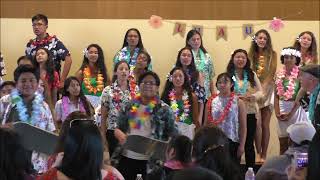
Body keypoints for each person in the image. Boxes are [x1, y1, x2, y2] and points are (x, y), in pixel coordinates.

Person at [114, 71, 176, 179]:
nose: (148, 85)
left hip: (151, 163)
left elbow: (174, 134)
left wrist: (166, 148)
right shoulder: (128, 106)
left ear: (157, 88)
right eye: (144, 82)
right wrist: (118, 133)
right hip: (126, 157)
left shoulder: (165, 110)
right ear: (139, 85)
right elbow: (118, 128)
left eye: (151, 83)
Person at [2, 65, 56, 173]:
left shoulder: (44, 106)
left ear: (37, 83)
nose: (27, 84)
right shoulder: (5, 102)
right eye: (23, 81)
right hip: (10, 160)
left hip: (37, 163)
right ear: (16, 83)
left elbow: (51, 132)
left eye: (32, 80)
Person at [37, 119, 124, 180]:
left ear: (69, 149)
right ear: (97, 150)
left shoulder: (51, 174)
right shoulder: (112, 177)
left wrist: (54, 168)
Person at [226, 49, 263, 168]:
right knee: (234, 143)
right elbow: (221, 90)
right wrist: (233, 96)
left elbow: (261, 92)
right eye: (238, 57)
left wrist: (251, 96)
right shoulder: (228, 75)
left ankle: (250, 171)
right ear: (233, 59)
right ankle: (234, 172)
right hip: (233, 114)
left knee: (248, 144)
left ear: (247, 60)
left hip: (249, 111)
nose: (240, 60)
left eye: (243, 57)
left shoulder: (251, 74)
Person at [248, 29, 277, 162]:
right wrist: (255, 91)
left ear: (268, 41)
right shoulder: (250, 55)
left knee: (265, 124)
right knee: (256, 124)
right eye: (260, 38)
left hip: (268, 91)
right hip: (254, 91)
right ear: (255, 39)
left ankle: (264, 155)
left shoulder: (272, 54)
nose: (262, 40)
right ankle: (258, 152)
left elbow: (271, 73)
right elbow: (248, 73)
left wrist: (263, 90)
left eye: (265, 38)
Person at [204, 72, 247, 164]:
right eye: (219, 82)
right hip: (214, 142)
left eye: (225, 82)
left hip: (232, 141)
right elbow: (206, 124)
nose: (222, 85)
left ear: (231, 84)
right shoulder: (211, 101)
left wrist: (242, 146)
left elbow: (243, 127)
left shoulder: (238, 102)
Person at [274, 47, 308, 154]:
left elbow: (301, 95)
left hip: (296, 109)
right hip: (282, 108)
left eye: (291, 57)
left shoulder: (300, 74)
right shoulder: (279, 74)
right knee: (283, 141)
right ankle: (282, 168)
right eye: (286, 57)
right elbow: (276, 95)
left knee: (297, 141)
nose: (288, 60)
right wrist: (277, 112)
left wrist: (291, 113)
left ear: (296, 59)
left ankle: (299, 168)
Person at [100, 61, 137, 156]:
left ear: (129, 72)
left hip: (131, 132)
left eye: (126, 69)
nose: (124, 71)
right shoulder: (108, 90)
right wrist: (103, 136)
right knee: (115, 161)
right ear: (116, 72)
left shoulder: (136, 90)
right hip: (113, 131)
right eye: (121, 69)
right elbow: (103, 116)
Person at [25, 14, 72, 87]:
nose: (36, 27)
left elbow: (68, 59)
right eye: (34, 25)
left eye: (39, 24)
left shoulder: (54, 42)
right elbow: (27, 64)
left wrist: (62, 81)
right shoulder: (30, 45)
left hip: (52, 83)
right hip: (34, 84)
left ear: (46, 26)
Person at [161, 67, 199, 139]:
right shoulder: (165, 96)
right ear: (171, 78)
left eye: (180, 76)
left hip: (187, 131)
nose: (178, 79)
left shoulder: (192, 96)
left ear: (185, 78)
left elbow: (195, 118)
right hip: (170, 131)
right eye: (175, 76)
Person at [174, 47, 206, 125]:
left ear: (192, 58)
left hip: (192, 110)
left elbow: (201, 99)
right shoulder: (174, 72)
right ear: (179, 57)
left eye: (189, 56)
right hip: (175, 108)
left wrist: (199, 117)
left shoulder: (197, 74)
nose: (186, 58)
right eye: (183, 55)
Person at [76, 44, 110, 108]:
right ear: (86, 55)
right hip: (84, 105)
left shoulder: (104, 74)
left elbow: (108, 92)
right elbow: (76, 91)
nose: (93, 55)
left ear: (99, 56)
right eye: (91, 52)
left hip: (101, 106)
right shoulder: (81, 73)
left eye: (96, 53)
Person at [185, 30, 215, 101]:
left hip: (205, 93)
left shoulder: (207, 56)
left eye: (198, 39)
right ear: (188, 41)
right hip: (190, 93)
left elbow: (210, 77)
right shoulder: (186, 56)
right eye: (193, 39)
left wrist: (213, 94)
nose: (196, 41)